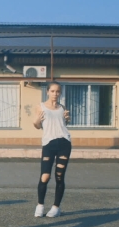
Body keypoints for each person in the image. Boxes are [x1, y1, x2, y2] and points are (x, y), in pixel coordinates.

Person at [33, 81, 72, 218]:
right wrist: (37, 119)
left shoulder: (62, 108)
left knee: (59, 176)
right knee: (45, 176)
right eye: (53, 91)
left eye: (58, 91)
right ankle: (40, 205)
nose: (55, 94)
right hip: (49, 143)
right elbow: (37, 125)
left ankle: (56, 207)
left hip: (64, 143)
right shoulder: (41, 106)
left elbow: (64, 124)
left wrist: (68, 119)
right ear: (47, 92)